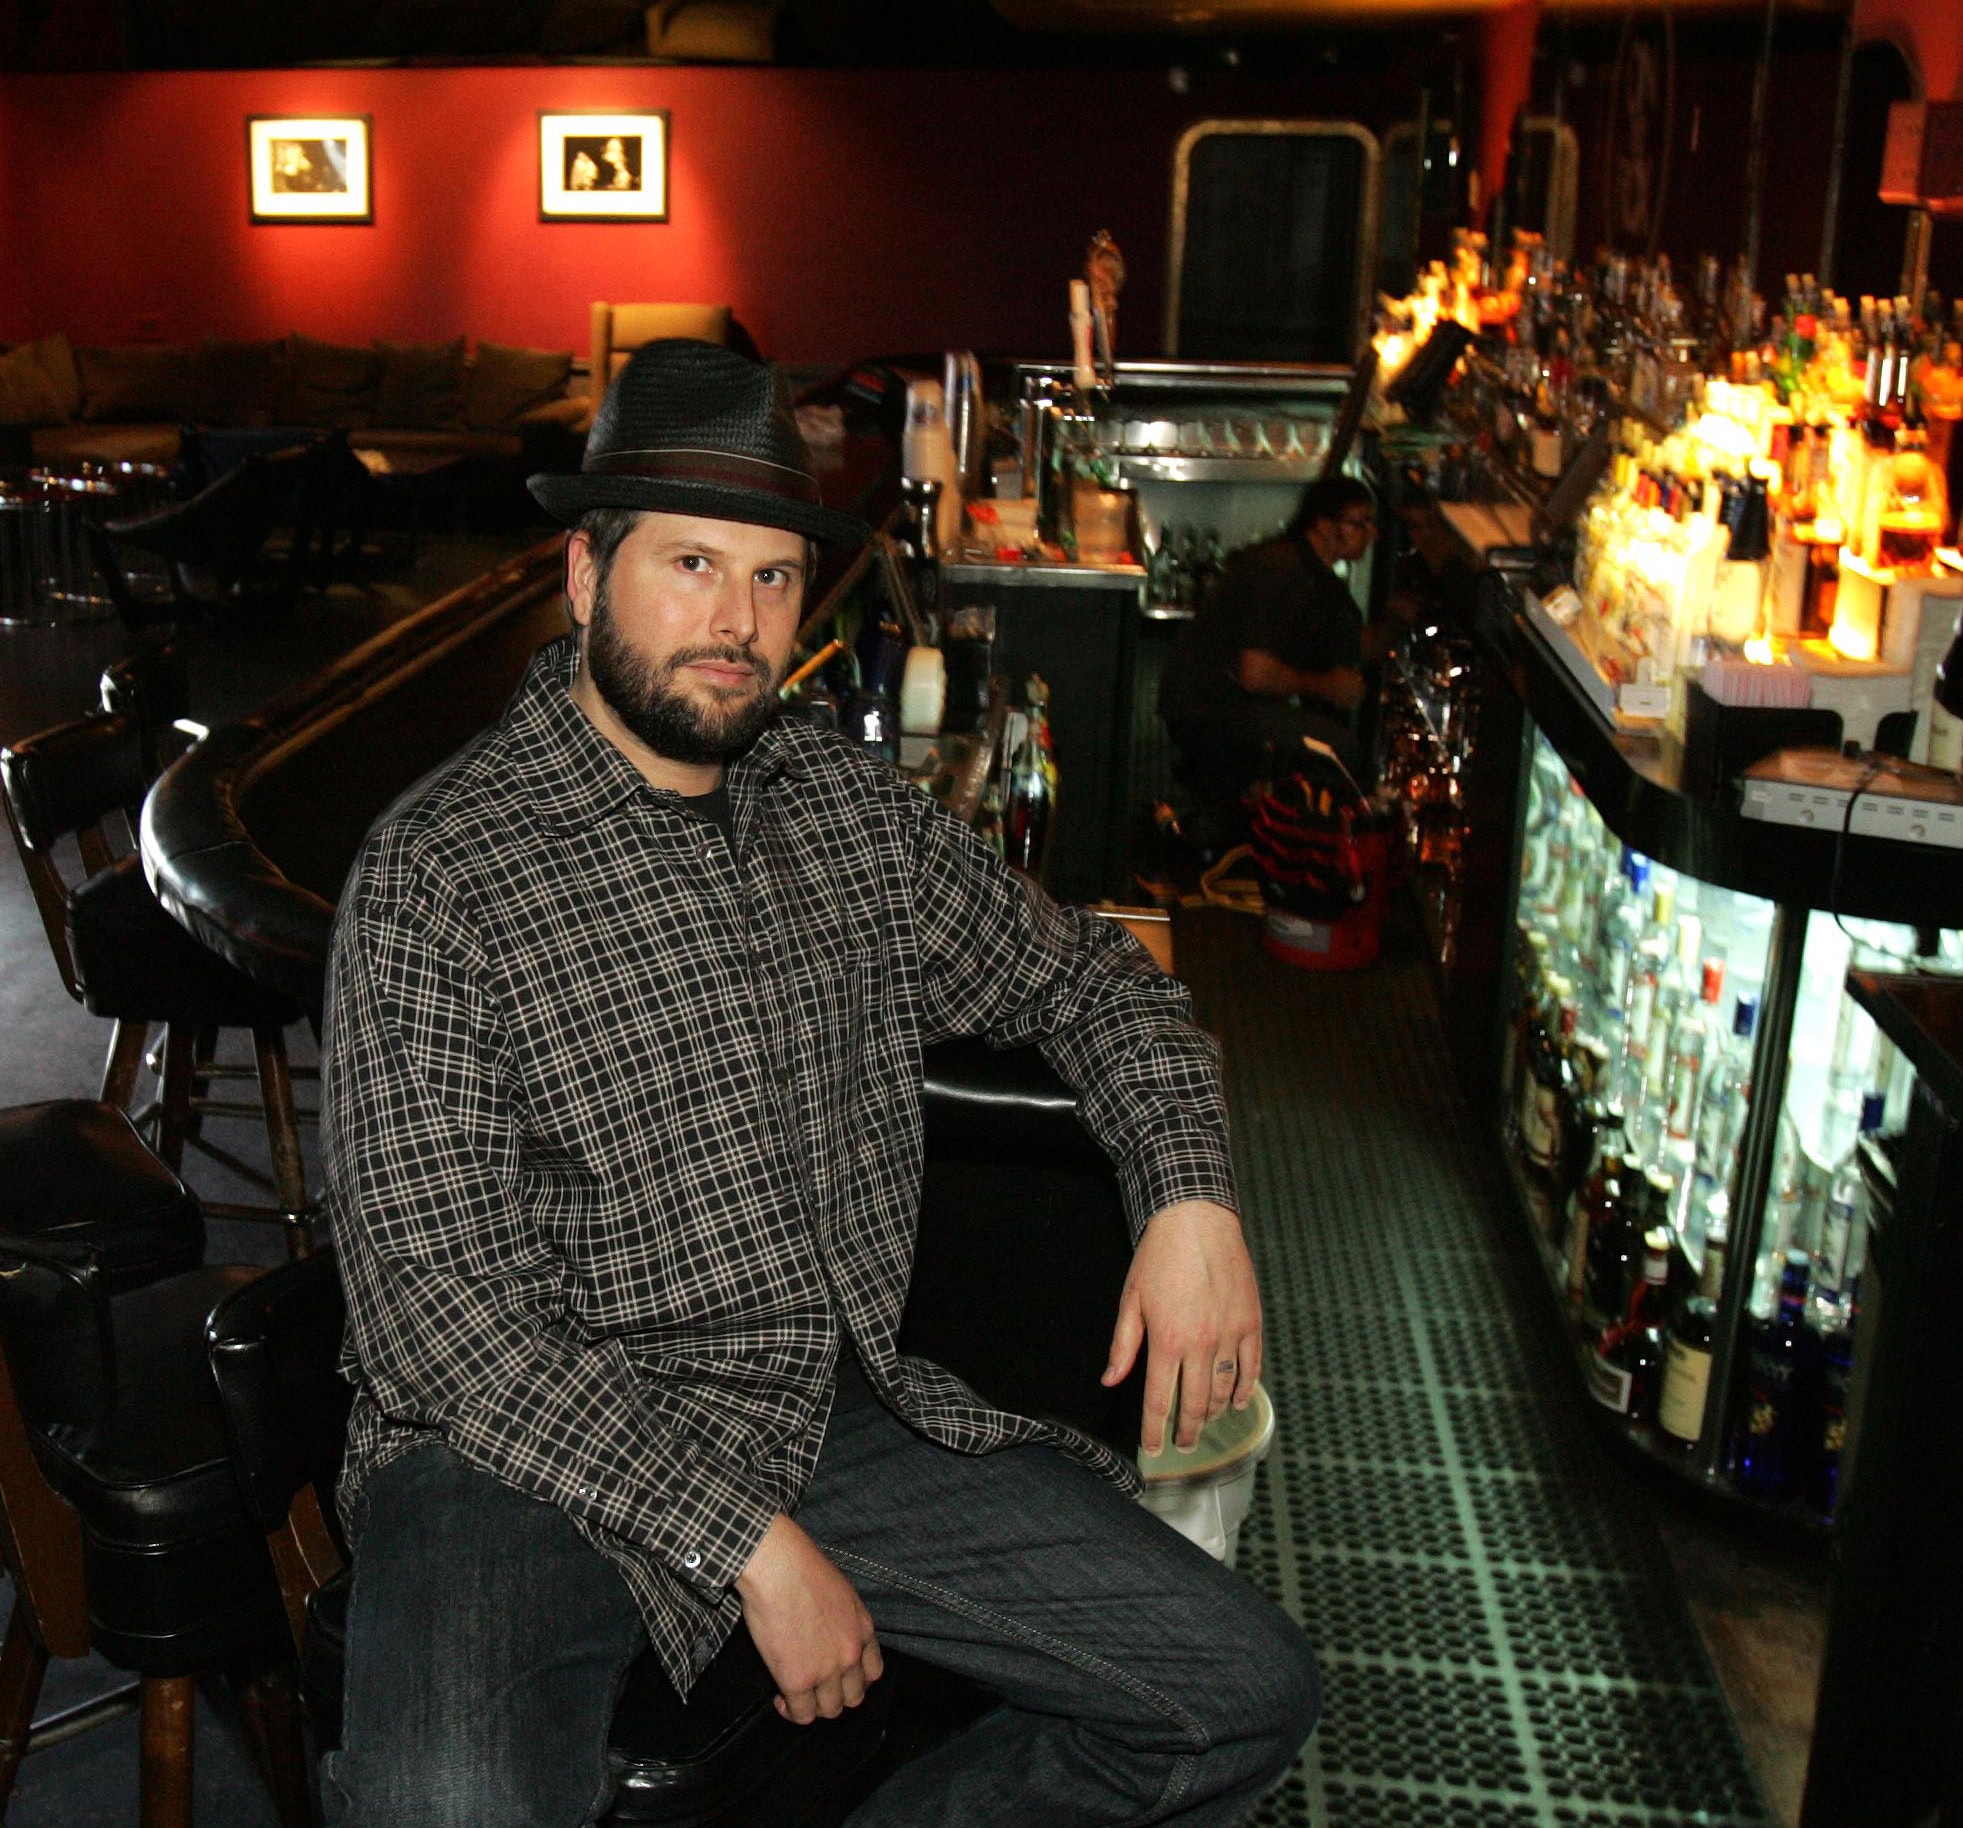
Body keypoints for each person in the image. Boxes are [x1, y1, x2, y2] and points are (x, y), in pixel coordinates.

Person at [320, 338, 1318, 1827]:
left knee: (1237, 1696)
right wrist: (751, 1546)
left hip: (806, 1403)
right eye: (691, 566)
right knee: (443, 1807)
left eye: (774, 578)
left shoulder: (837, 807)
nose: (737, 624)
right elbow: (443, 1314)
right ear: (584, 575)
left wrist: (1187, 1194)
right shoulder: (439, 873)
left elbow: (1087, 979)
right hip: (508, 1449)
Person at [1159, 475, 1404, 836]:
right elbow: (1255, 674)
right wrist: (1327, 687)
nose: (1371, 534)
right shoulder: (1284, 574)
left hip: (1219, 700)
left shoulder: (1312, 574)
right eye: (1359, 523)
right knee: (1340, 753)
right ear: (1322, 524)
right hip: (1210, 707)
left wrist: (1397, 622)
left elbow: (1356, 644)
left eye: (1372, 523)